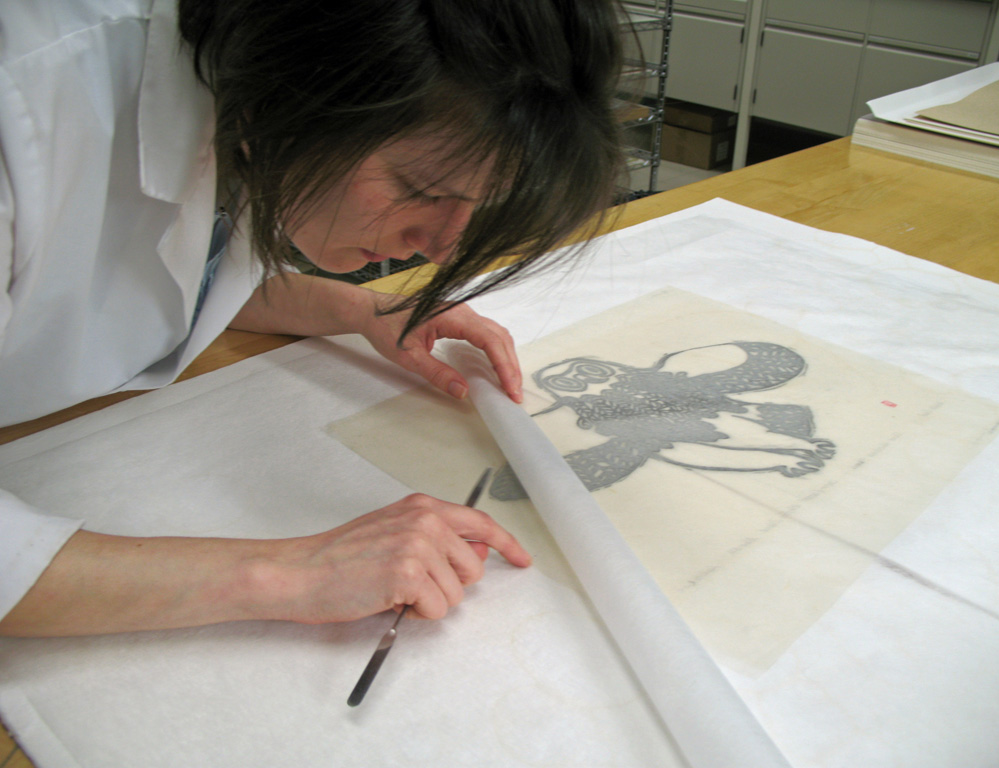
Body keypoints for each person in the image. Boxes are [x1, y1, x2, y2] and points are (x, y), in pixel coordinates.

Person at [0, 0, 626, 636]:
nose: (441, 247)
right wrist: (295, 574)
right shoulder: (24, 93)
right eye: (423, 191)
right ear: (302, 87)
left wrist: (358, 307)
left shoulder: (239, 96)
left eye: (477, 207)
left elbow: (144, 275)